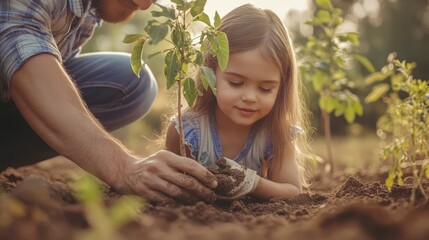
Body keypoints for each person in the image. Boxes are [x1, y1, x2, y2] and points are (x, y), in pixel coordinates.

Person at [0, 0, 218, 204]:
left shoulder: (89, 9)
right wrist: (122, 167)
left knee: (132, 81)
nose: (143, 5)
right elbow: (19, 40)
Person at [165, 4, 311, 200]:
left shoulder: (276, 133)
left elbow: (292, 190)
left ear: (281, 87)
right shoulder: (187, 132)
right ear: (211, 73)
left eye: (265, 88)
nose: (250, 97)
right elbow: (170, 187)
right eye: (235, 83)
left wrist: (251, 183)